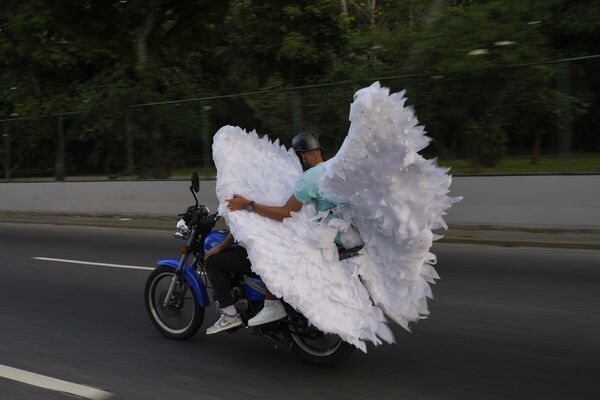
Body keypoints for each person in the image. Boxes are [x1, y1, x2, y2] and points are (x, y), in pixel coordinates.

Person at [226, 131, 346, 326]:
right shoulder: (335, 167)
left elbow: (285, 213)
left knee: (269, 246)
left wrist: (248, 205)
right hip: (347, 232)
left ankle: (272, 304)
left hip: (330, 238)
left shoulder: (309, 179)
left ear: (301, 155)